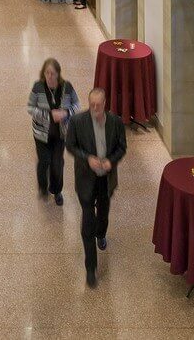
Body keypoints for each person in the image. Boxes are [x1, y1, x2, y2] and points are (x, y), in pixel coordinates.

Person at [65, 87, 128, 287]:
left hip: (105, 180)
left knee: (103, 213)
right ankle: (90, 268)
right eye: (91, 105)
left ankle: (101, 233)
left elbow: (122, 147)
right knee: (87, 223)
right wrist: (87, 158)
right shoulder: (77, 122)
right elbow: (70, 145)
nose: (94, 109)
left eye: (98, 105)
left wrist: (111, 161)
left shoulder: (116, 122)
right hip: (85, 179)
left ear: (105, 104)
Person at [27, 58, 80, 206]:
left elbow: (77, 104)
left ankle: (56, 190)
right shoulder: (38, 87)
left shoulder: (67, 87)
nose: (50, 76)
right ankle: (43, 188)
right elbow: (30, 108)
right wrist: (49, 115)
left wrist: (66, 113)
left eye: (53, 73)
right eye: (47, 73)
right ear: (43, 73)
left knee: (57, 164)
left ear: (58, 73)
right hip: (41, 133)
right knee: (44, 161)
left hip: (60, 134)